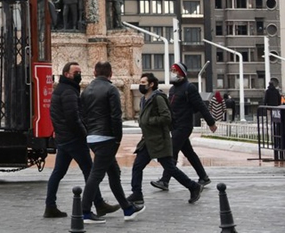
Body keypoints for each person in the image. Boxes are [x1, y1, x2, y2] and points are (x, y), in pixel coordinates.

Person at [43, 62, 120, 218]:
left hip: (64, 138)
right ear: (67, 74)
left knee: (58, 172)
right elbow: (73, 118)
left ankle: (50, 206)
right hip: (73, 139)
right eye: (75, 72)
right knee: (90, 171)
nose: (79, 74)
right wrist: (85, 134)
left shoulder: (62, 90)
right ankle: (95, 206)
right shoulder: (69, 92)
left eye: (80, 71)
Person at [80, 61, 145, 224]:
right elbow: (116, 117)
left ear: (94, 73)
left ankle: (127, 208)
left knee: (113, 172)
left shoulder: (86, 91)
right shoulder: (111, 89)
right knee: (96, 175)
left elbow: (82, 116)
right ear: (110, 74)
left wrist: (89, 133)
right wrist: (117, 138)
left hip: (92, 137)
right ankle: (85, 212)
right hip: (106, 138)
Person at [128, 73, 204, 206]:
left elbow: (166, 117)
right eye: (140, 82)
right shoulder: (143, 99)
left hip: (159, 140)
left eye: (143, 83)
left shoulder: (158, 98)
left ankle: (193, 186)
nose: (141, 85)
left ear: (151, 84)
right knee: (137, 166)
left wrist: (149, 120)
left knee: (170, 168)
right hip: (147, 140)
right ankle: (137, 194)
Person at [151, 62, 217, 193]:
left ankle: (165, 180)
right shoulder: (172, 89)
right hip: (175, 126)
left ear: (182, 73)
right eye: (172, 71)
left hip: (184, 126)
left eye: (175, 71)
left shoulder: (189, 88)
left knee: (171, 151)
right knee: (189, 153)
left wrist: (211, 122)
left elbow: (200, 106)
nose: (172, 73)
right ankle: (203, 177)